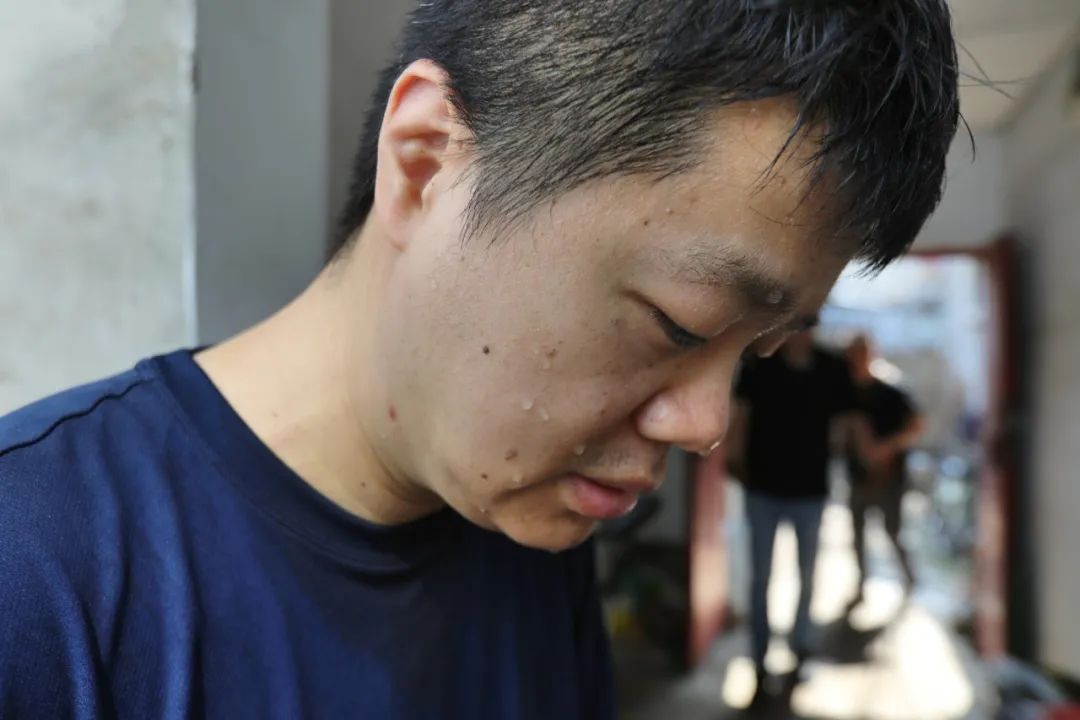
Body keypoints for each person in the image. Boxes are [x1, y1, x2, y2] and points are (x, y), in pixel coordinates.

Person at [0, 2, 960, 718]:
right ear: (426, 161)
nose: (706, 426)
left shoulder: (528, 526)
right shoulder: (38, 571)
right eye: (680, 322)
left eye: (757, 349)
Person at [728, 330, 856, 699]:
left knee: (807, 575)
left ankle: (800, 650)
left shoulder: (832, 367)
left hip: (810, 490)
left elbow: (845, 423)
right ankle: (759, 659)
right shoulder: (760, 362)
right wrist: (734, 457)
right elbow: (741, 413)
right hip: (762, 487)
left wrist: (856, 458)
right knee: (760, 579)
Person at [845, 335, 926, 609]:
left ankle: (910, 582)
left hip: (890, 476)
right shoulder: (847, 393)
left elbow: (916, 425)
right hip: (858, 476)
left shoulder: (891, 390)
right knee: (857, 535)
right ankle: (861, 586)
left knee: (893, 532)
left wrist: (885, 448)